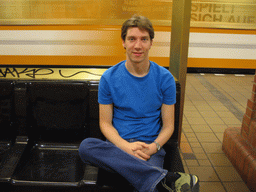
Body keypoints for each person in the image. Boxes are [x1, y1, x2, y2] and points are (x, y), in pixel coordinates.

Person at [79, 15, 199, 192]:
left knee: (145, 186)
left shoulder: (165, 80)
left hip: (150, 149)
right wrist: (126, 147)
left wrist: (154, 147)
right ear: (123, 42)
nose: (137, 45)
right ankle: (164, 178)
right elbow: (105, 123)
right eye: (132, 39)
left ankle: (151, 178)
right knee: (86, 147)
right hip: (118, 148)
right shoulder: (109, 78)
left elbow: (168, 126)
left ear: (151, 43)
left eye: (144, 39)